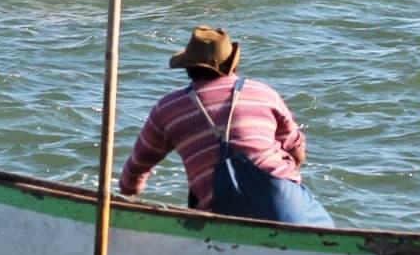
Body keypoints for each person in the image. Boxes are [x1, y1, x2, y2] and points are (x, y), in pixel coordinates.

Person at [119, 26, 334, 227]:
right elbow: (297, 151)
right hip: (290, 209)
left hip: (222, 219)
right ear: (232, 64)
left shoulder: (167, 109)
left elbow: (136, 170)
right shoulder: (264, 93)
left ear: (188, 68)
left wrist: (127, 198)